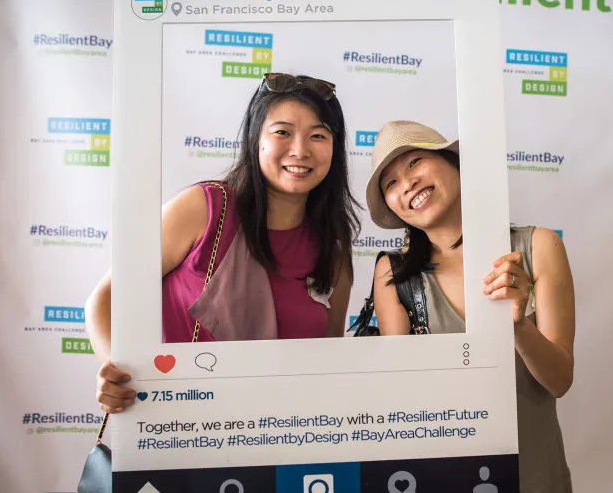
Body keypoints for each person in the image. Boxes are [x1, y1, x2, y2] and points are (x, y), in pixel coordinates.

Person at [84, 73, 361, 414]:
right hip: (176, 428)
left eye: (318, 135)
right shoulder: (206, 208)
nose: (300, 150)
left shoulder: (332, 253)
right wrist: (116, 373)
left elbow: (325, 366)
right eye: (282, 132)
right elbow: (106, 298)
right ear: (255, 139)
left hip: (277, 439)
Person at [366, 120, 575, 493]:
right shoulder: (392, 274)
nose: (407, 183)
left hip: (535, 475)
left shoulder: (538, 246)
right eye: (390, 183)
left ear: (454, 162)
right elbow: (399, 404)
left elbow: (559, 381)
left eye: (415, 162)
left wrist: (517, 327)